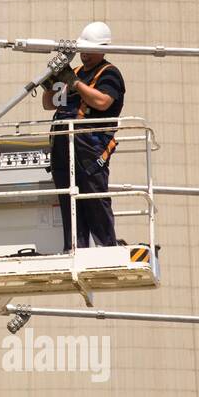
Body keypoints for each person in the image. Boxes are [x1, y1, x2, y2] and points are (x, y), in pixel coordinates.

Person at [41, 21, 125, 252]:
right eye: (82, 48)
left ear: (102, 48)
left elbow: (102, 101)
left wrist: (75, 83)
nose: (84, 54)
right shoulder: (75, 72)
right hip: (62, 142)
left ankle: (106, 245)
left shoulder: (109, 74)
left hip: (90, 145)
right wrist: (52, 79)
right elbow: (49, 104)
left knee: (94, 196)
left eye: (89, 49)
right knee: (67, 196)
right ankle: (74, 246)